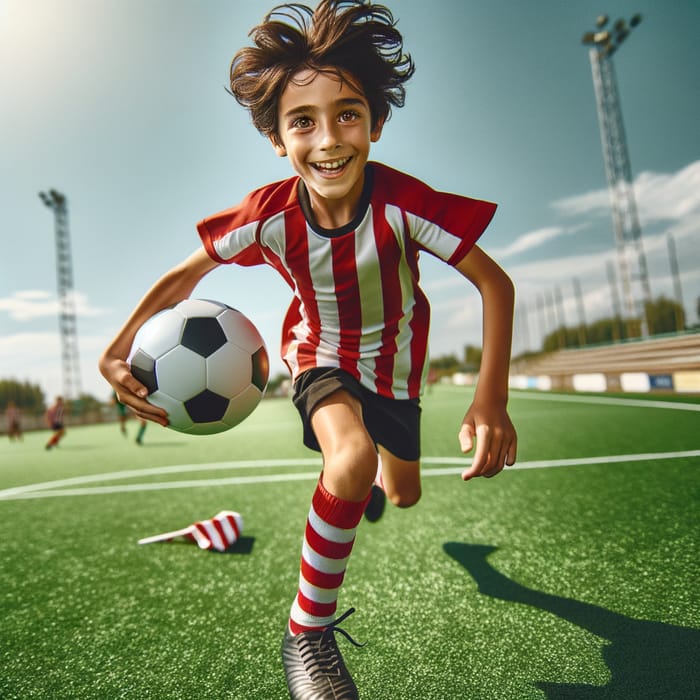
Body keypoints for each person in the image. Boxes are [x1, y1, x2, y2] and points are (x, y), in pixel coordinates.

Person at [99, 2, 517, 697]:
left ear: (376, 124)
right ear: (276, 138)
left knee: (403, 493)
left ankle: (368, 491)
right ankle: (307, 634)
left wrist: (490, 397)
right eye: (302, 121)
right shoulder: (271, 216)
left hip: (398, 368)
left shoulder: (403, 205)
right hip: (318, 355)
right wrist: (116, 351)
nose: (328, 139)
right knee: (349, 457)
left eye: (347, 113)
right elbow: (184, 275)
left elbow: (493, 283)